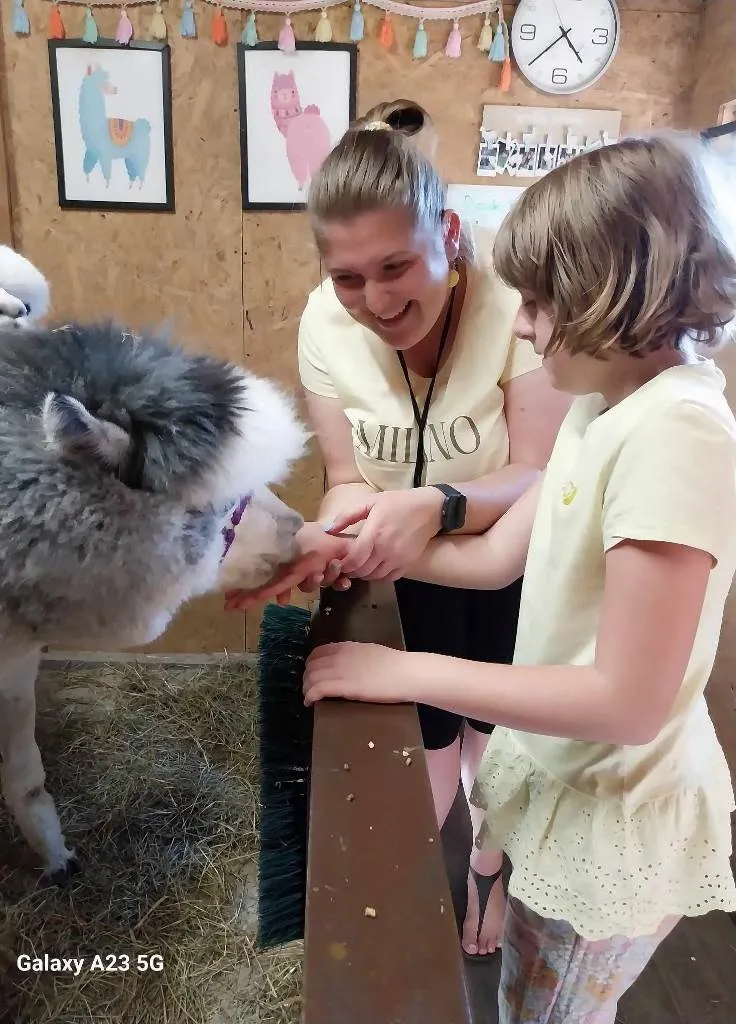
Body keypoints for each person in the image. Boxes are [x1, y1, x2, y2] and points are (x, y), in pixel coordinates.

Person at [295, 132, 736, 1022]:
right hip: (563, 778)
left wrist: (401, 671)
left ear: (617, 291)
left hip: (615, 803)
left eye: (539, 304)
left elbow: (627, 702)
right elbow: (500, 558)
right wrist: (342, 546)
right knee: (521, 989)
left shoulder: (678, 432)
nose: (525, 328)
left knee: (551, 1010)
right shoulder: (601, 407)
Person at [226, 98, 570, 957]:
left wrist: (440, 504)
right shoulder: (322, 323)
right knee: (427, 746)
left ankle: (486, 871)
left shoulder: (515, 311)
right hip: (401, 565)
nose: (374, 301)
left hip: (512, 554)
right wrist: (333, 533)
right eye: (347, 278)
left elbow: (535, 468)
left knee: (498, 749)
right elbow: (346, 478)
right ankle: (409, 899)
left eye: (395, 265)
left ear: (447, 234)